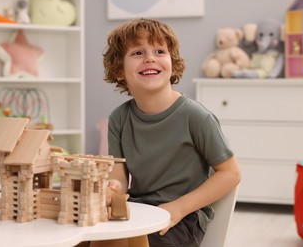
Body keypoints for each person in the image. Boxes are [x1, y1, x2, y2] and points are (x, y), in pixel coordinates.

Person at [91, 18, 241, 247]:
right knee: (93, 240)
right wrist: (113, 189)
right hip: (139, 210)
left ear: (172, 63)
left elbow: (231, 174)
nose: (150, 58)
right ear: (120, 70)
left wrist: (178, 208)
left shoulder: (196, 117)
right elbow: (118, 176)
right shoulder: (119, 119)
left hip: (183, 219)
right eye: (138, 52)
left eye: (159, 51)